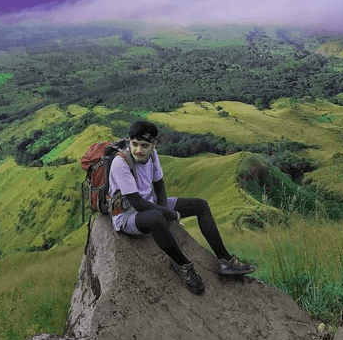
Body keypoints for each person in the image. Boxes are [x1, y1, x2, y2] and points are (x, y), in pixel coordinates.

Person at [108, 120, 255, 295]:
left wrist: (164, 211)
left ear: (154, 145)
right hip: (127, 214)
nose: (138, 150)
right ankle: (183, 265)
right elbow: (137, 203)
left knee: (200, 205)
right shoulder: (121, 163)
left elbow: (159, 185)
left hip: (150, 202)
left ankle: (225, 260)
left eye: (145, 145)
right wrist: (168, 214)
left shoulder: (153, 156)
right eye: (134, 144)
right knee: (155, 217)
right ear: (129, 142)